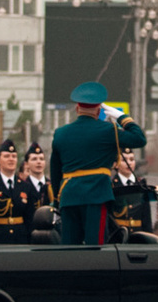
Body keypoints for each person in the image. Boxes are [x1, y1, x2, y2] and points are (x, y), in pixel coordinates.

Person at [49, 82, 146, 246]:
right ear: (99, 111)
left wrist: (58, 200)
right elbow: (139, 139)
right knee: (96, 247)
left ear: (77, 109)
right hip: (96, 196)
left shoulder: (60, 133)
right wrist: (122, 117)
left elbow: (55, 171)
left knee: (69, 249)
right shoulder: (108, 130)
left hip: (69, 197)